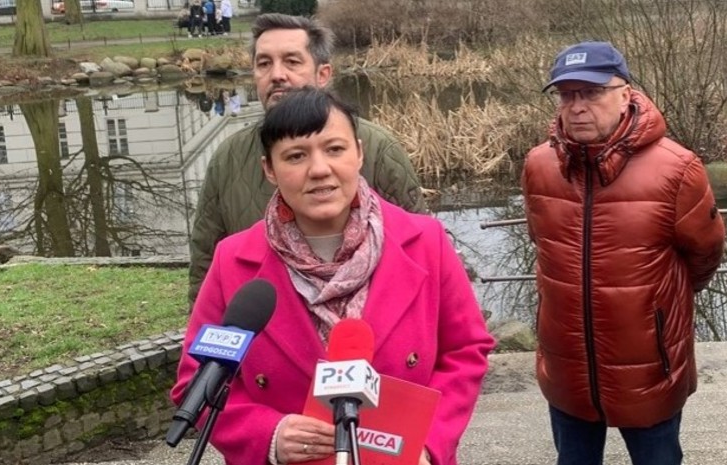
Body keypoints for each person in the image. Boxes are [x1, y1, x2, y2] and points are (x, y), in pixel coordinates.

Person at [171, 87, 495, 465]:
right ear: (269, 169)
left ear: (359, 153)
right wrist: (268, 435)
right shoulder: (233, 261)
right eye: (296, 156)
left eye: (335, 149)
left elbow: (465, 351)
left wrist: (428, 443)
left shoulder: (426, 241)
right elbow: (196, 379)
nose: (319, 169)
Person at [521, 41, 725, 465]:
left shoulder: (677, 168)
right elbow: (541, 243)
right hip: (566, 363)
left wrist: (658, 310)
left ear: (626, 93)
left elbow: (704, 255)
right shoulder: (539, 166)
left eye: (592, 92)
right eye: (567, 95)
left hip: (649, 364)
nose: (577, 107)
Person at [188, 13, 426, 306]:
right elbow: (205, 263)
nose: (277, 74)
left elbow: (417, 249)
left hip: (372, 325)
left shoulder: (380, 148)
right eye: (264, 63)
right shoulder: (228, 158)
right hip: (267, 326)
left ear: (323, 74)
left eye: (292, 61)